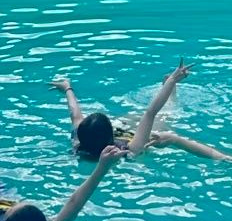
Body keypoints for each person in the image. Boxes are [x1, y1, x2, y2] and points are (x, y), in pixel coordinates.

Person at [51, 59, 192, 159]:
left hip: (126, 129)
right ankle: (170, 93)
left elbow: (75, 114)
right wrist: (172, 81)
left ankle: (169, 89)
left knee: (158, 115)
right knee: (166, 114)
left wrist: (67, 88)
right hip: (125, 127)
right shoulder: (129, 151)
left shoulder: (77, 145)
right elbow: (151, 113)